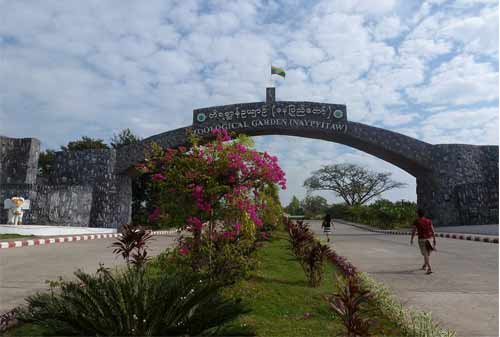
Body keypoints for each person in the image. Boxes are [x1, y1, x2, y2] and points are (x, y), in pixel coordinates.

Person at [410, 209, 436, 274]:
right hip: (430, 239)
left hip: (422, 240)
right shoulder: (429, 221)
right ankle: (424, 265)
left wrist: (412, 239)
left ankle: (429, 268)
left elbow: (413, 231)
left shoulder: (416, 221)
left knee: (425, 254)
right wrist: (434, 239)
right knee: (427, 254)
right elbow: (432, 230)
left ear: (418, 214)